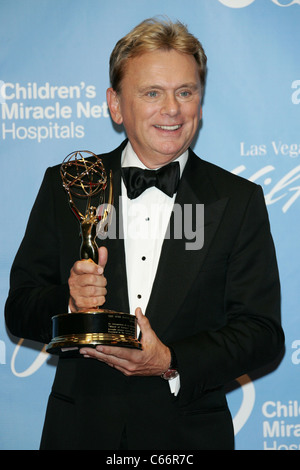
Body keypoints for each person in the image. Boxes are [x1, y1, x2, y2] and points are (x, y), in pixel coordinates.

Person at [5, 18, 284, 450]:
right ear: (116, 105)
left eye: (185, 92)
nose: (172, 109)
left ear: (200, 101)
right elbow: (19, 309)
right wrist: (70, 301)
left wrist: (172, 361)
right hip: (79, 433)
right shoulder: (68, 185)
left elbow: (262, 334)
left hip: (189, 437)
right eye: (152, 92)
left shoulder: (238, 199)